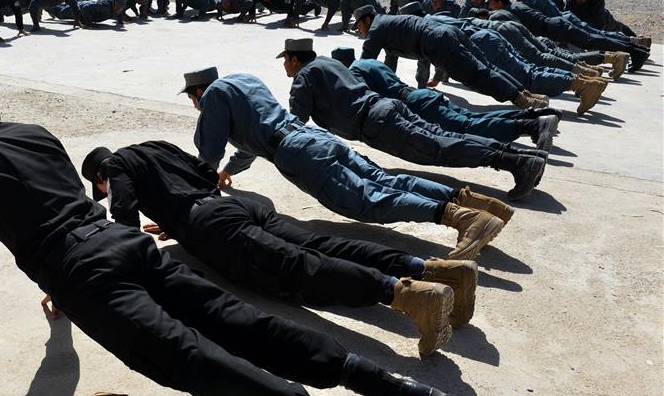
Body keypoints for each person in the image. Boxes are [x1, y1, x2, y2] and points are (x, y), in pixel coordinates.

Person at [0, 65, 447, 396]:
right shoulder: (35, 133)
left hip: (85, 274)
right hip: (125, 244)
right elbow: (57, 203)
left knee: (189, 358)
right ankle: (393, 391)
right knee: (239, 322)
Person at [82, 140, 481, 356]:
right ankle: (438, 270)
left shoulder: (116, 167)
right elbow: (205, 171)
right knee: (324, 245)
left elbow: (123, 212)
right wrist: (176, 219)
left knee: (299, 266)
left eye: (98, 186)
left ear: (100, 175)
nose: (104, 189)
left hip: (214, 225)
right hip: (236, 206)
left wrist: (128, 256)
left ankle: (407, 295)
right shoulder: (154, 147)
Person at [184, 66, 507, 259]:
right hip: (312, 138)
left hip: (298, 154)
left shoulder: (213, 96)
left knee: (369, 200)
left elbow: (209, 154)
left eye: (192, 98)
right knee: (387, 180)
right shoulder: (243, 81)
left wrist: (197, 197)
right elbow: (254, 140)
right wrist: (229, 172)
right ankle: (479, 205)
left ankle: (462, 219)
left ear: (198, 91)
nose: (195, 104)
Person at [281, 39, 547, 199]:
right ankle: (523, 158)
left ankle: (518, 163)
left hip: (376, 124)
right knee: (449, 137)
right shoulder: (330, 62)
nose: (284, 66)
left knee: (442, 149)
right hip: (387, 108)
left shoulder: (304, 77)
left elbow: (296, 122)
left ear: (294, 59)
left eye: (286, 61)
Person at [333, 48, 561, 147]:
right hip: (421, 95)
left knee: (471, 128)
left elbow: (365, 100)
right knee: (472, 118)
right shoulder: (369, 62)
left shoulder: (354, 72)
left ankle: (533, 126)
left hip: (415, 105)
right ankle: (536, 115)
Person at [354, 6, 547, 109]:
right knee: (487, 67)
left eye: (359, 26)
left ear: (367, 20)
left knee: (476, 75)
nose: (360, 31)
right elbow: (389, 64)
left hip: (437, 42)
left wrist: (354, 85)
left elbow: (365, 61)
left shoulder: (377, 28)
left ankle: (520, 99)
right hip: (447, 33)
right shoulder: (387, 26)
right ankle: (525, 93)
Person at [424, 16, 608, 114]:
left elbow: (440, 53)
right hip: (488, 35)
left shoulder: (425, 28)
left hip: (481, 43)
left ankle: (582, 85)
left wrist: (427, 80)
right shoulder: (435, 17)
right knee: (531, 68)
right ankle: (583, 79)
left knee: (528, 76)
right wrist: (437, 78)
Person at [490, 0, 649, 72]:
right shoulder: (516, 7)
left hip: (556, 28)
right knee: (593, 40)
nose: (490, 6)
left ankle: (635, 51)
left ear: (499, 3)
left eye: (491, 3)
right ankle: (636, 50)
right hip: (556, 27)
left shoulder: (510, 11)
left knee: (593, 40)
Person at [564, 0, 643, 43]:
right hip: (583, 22)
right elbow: (565, 17)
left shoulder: (597, 1)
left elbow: (600, 24)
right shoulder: (571, 1)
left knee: (619, 27)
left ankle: (637, 41)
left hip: (604, 21)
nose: (578, 0)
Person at [252, 0, 317, 27]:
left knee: (303, 11)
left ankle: (315, 3)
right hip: (281, 8)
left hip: (293, 1)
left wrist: (290, 16)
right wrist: (252, 13)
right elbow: (251, 0)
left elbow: (292, 3)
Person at [49, 0, 127, 27]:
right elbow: (85, 8)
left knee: (61, 7)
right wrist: (89, 23)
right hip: (80, 8)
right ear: (114, 3)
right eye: (118, 7)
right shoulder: (103, 6)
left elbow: (120, 13)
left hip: (87, 7)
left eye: (121, 8)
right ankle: (43, 5)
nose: (119, 9)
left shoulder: (118, 6)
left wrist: (120, 21)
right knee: (60, 13)